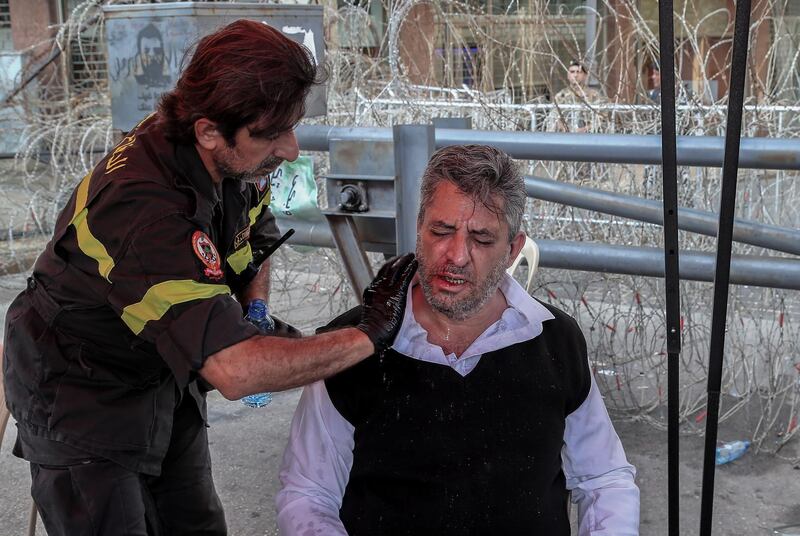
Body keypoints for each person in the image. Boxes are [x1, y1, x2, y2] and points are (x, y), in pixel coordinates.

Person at [2, 20, 417, 536]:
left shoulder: (237, 161)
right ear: (208, 130)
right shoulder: (145, 212)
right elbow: (235, 373)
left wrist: (254, 311)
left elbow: (254, 239)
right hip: (81, 392)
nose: (290, 149)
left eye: (292, 126)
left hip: (161, 371)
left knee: (196, 524)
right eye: (272, 134)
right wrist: (366, 337)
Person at [276, 145, 640, 535]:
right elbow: (308, 494)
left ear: (512, 249)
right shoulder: (349, 347)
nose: (457, 255)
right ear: (419, 227)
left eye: (482, 239)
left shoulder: (556, 342)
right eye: (441, 231)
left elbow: (604, 479)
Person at [548, 59, 608, 133]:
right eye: (572, 72)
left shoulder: (594, 95)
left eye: (579, 72)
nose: (575, 75)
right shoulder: (561, 96)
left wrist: (584, 129)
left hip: (589, 136)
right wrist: (565, 129)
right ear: (568, 75)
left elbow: (602, 117)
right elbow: (554, 116)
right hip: (565, 136)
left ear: (585, 75)